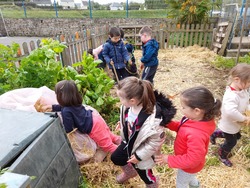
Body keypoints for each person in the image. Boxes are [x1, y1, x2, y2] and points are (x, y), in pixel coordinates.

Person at [111, 76, 176, 188]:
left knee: (143, 172)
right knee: (116, 158)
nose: (119, 101)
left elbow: (154, 142)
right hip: (129, 143)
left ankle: (152, 183)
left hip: (142, 150)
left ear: (132, 101)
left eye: (120, 98)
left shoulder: (154, 120)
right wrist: (122, 123)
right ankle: (129, 172)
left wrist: (139, 156)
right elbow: (128, 118)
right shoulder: (127, 107)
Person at [155, 86, 222, 188]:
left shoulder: (196, 134)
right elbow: (182, 127)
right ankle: (195, 185)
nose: (181, 109)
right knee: (190, 178)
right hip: (187, 164)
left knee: (181, 183)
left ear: (197, 111)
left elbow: (193, 159)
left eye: (183, 107)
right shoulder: (195, 119)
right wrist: (168, 123)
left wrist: (169, 159)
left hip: (188, 167)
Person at [40, 80, 121, 154]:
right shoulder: (73, 103)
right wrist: (52, 107)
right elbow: (63, 107)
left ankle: (124, 156)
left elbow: (69, 129)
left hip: (93, 127)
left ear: (61, 96)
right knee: (110, 136)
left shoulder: (66, 111)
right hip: (95, 118)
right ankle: (124, 143)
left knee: (108, 146)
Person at [210, 63, 250, 167]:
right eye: (248, 82)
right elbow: (230, 112)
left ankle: (216, 133)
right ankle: (222, 154)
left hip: (235, 123)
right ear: (237, 79)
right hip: (229, 124)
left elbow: (246, 102)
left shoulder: (243, 90)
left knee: (236, 136)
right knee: (232, 142)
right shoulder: (231, 96)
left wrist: (248, 110)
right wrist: (244, 118)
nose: (249, 84)